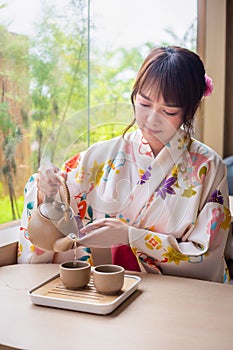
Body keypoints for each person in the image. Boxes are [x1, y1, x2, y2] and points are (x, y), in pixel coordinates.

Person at [18, 46, 231, 283]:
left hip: (174, 298)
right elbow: (57, 210)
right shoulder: (100, 156)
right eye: (144, 104)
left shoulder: (209, 168)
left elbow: (208, 256)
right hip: (100, 289)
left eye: (168, 111)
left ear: (188, 111)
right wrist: (45, 190)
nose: (151, 120)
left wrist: (132, 237)